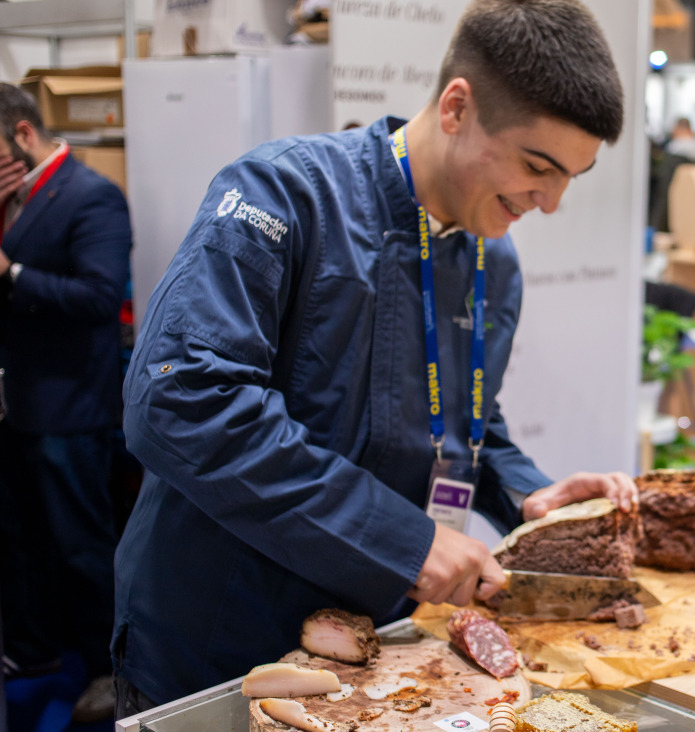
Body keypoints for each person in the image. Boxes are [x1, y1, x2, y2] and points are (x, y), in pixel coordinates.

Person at [113, 0, 631, 715]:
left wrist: (525, 497)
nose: (550, 202)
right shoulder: (282, 194)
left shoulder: (495, 262)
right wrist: (405, 540)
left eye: (573, 176)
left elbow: (467, 421)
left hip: (377, 651)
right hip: (218, 647)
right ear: (457, 108)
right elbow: (180, 401)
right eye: (538, 166)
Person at [0, 83, 132, 723]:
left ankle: (108, 669)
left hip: (71, 408)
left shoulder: (93, 196)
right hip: (19, 403)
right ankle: (35, 652)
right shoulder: (14, 199)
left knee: (82, 546)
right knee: (26, 540)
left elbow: (100, 297)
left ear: (23, 136)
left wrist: (12, 274)